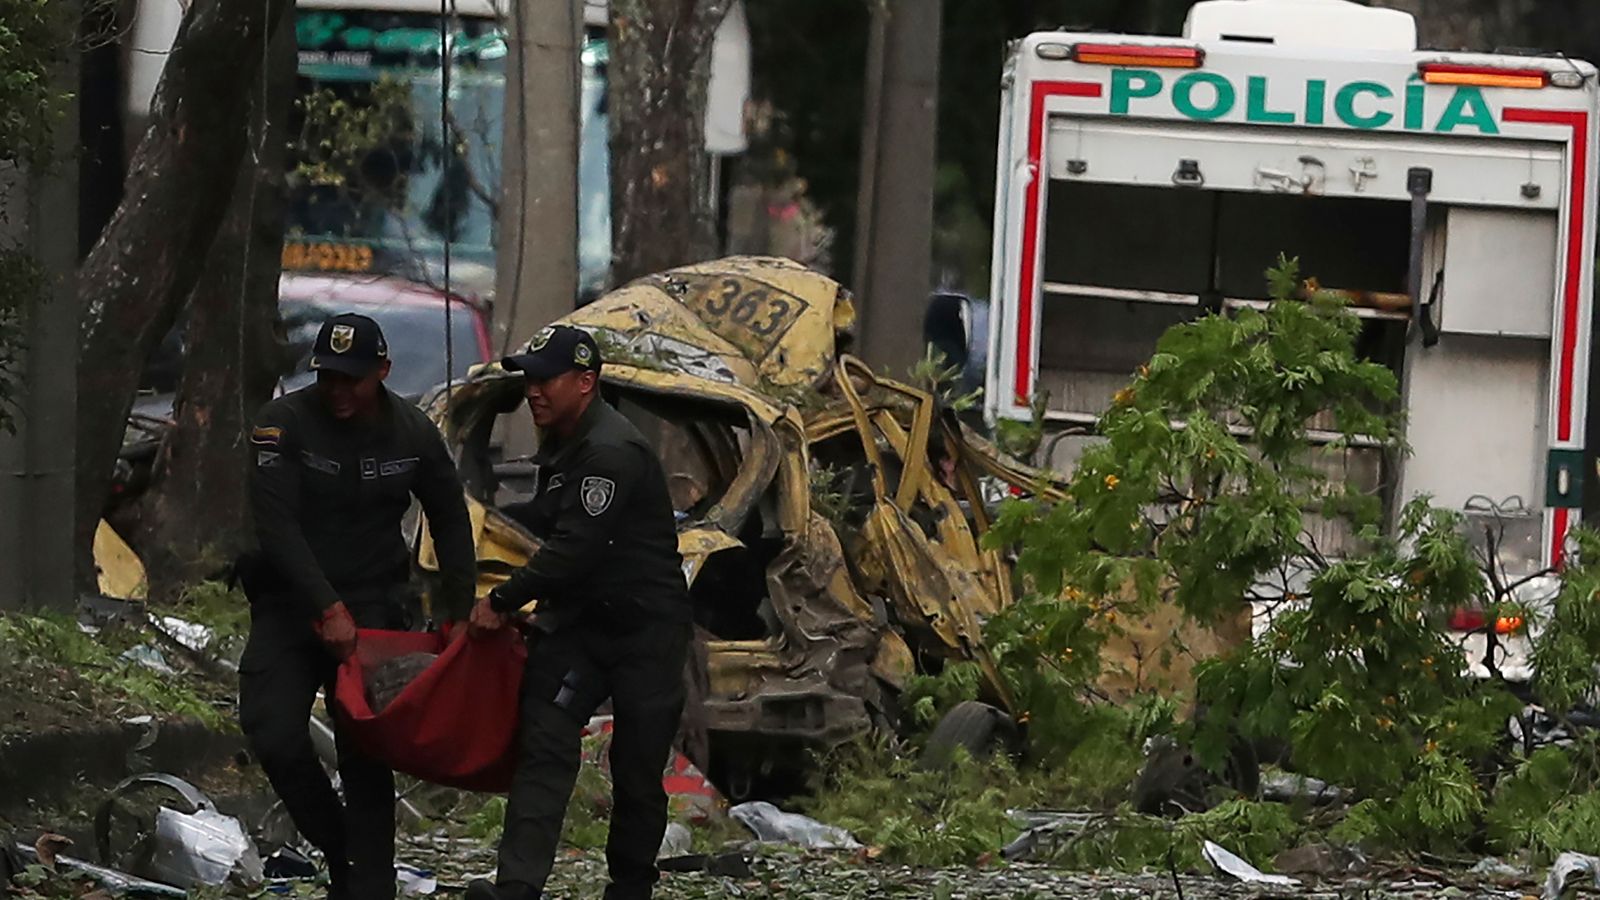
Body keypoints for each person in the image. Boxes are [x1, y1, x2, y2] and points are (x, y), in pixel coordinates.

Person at [238, 312, 478, 900]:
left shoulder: (413, 432)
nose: (340, 392)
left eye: (354, 379)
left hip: (376, 609)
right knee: (273, 732)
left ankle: (369, 885)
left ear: (382, 371)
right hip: (292, 603)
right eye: (329, 378)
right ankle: (341, 846)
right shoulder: (282, 425)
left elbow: (449, 517)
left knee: (365, 753)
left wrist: (460, 612)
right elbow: (276, 525)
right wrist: (324, 606)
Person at [465, 325, 692, 900]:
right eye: (528, 379)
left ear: (585, 382)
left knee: (638, 771)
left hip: (646, 633)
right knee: (543, 747)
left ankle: (630, 889)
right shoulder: (567, 439)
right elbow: (549, 515)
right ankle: (516, 888)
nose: (533, 391)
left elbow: (575, 549)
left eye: (545, 379)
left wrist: (500, 601)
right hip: (582, 629)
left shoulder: (610, 451)